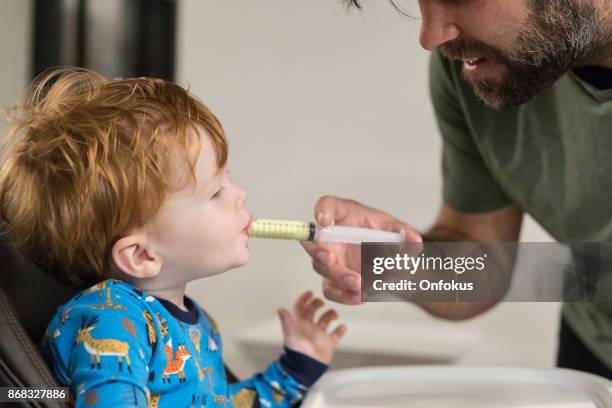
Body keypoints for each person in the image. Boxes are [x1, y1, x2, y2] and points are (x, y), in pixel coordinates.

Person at [302, 0, 612, 379]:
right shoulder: (477, 70)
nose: (431, 37)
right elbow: (486, 262)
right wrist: (398, 264)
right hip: (595, 348)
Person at [0, 68, 346, 407]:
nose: (239, 194)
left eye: (229, 178)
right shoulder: (112, 320)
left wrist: (297, 367)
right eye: (215, 192)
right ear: (142, 256)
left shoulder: (196, 324)